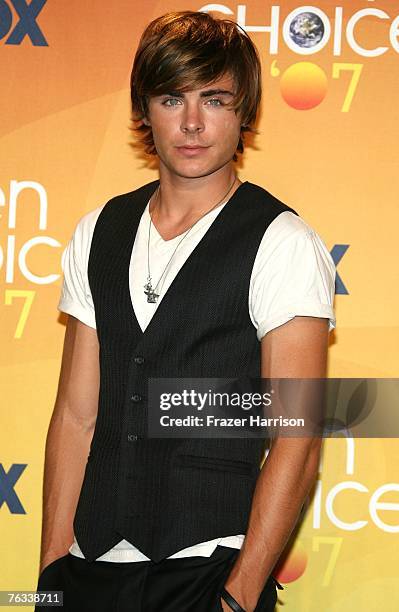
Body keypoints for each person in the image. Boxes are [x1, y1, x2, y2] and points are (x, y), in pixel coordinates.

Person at [35, 10, 336, 612]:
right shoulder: (99, 232)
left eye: (216, 100)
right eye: (173, 98)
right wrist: (50, 574)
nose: (193, 122)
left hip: (210, 571)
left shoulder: (281, 242)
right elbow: (75, 415)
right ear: (144, 109)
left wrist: (241, 595)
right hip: (90, 572)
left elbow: (296, 436)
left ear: (244, 112)